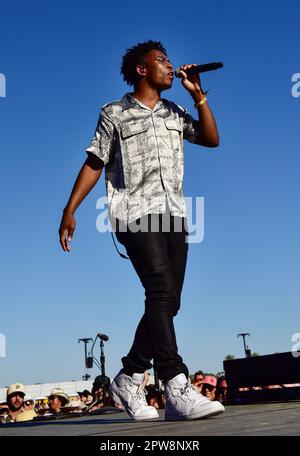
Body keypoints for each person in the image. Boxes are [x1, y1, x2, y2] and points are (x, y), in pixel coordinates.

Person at [59, 39, 224, 421]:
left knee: (170, 301)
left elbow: (211, 139)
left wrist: (199, 96)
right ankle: (175, 384)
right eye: (161, 60)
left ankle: (130, 375)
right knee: (161, 290)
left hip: (175, 213)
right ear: (141, 70)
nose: (171, 66)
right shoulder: (114, 112)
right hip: (133, 211)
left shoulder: (174, 111)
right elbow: (95, 162)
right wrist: (70, 209)